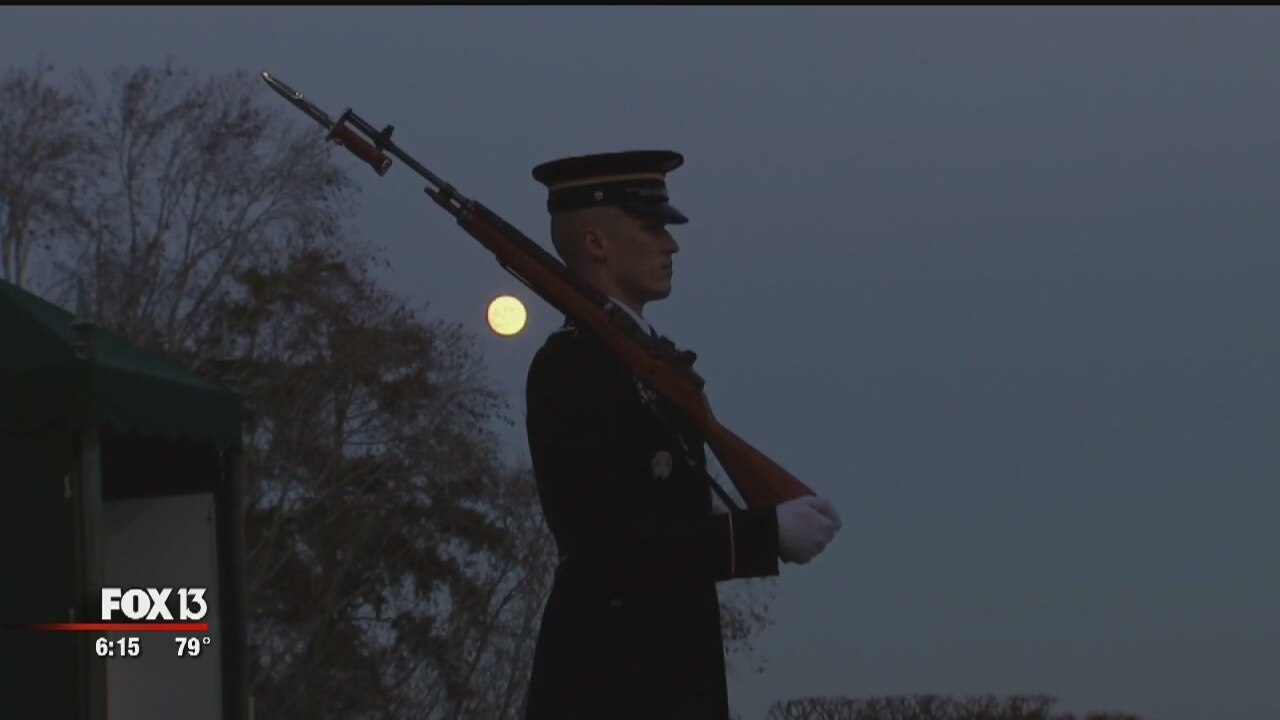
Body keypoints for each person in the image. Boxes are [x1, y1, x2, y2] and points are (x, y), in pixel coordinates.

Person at [522, 150, 842, 720]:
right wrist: (761, 535)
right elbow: (603, 547)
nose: (671, 246)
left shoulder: (646, 362)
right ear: (596, 243)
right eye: (652, 228)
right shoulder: (573, 367)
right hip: (607, 688)